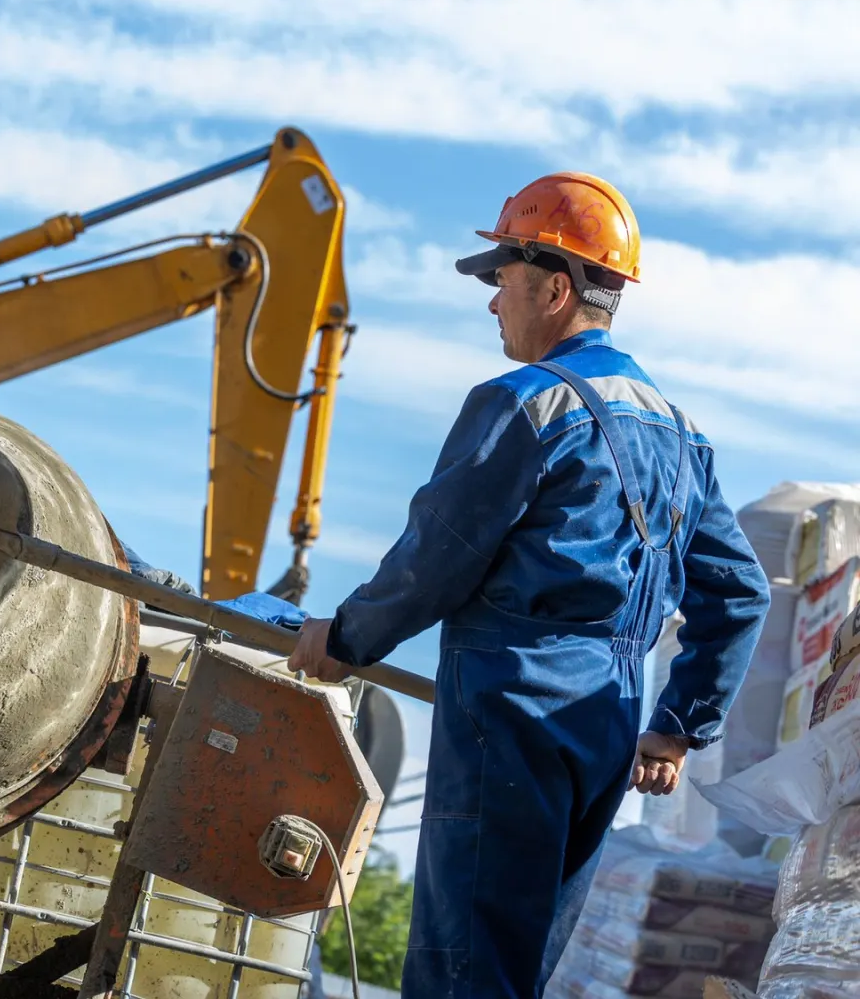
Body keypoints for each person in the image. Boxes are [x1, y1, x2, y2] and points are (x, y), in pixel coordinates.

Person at [287, 173, 769, 997]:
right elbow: (740, 594)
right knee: (517, 972)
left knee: (465, 970)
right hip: (607, 725)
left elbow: (437, 554)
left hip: (510, 710)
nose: (490, 302)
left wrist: (345, 638)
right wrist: (677, 726)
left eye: (501, 278)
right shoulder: (685, 436)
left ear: (556, 286)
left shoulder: (525, 403)